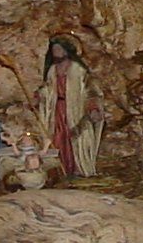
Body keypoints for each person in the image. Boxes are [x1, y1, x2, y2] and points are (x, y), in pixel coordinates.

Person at [37, 36, 104, 178]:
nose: (56, 52)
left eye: (59, 49)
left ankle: (77, 168)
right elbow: (48, 89)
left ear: (66, 51)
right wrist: (41, 95)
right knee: (57, 137)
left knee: (75, 137)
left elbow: (90, 91)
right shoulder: (52, 70)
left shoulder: (78, 70)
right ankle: (60, 168)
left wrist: (92, 107)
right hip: (57, 110)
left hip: (75, 110)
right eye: (54, 49)